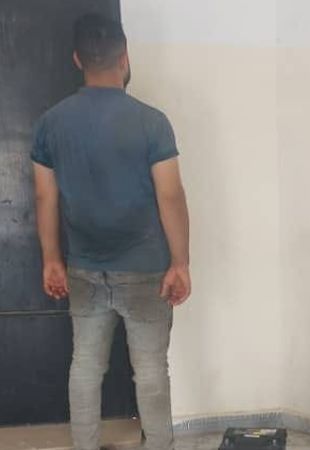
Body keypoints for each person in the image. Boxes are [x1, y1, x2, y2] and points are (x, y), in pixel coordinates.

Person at [31, 14, 190, 450]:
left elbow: (45, 197)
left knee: (85, 365)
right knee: (151, 370)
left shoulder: (50, 123)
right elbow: (170, 196)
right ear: (124, 57)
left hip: (83, 267)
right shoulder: (152, 122)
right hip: (145, 268)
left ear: (77, 59)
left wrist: (51, 259)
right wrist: (180, 263)